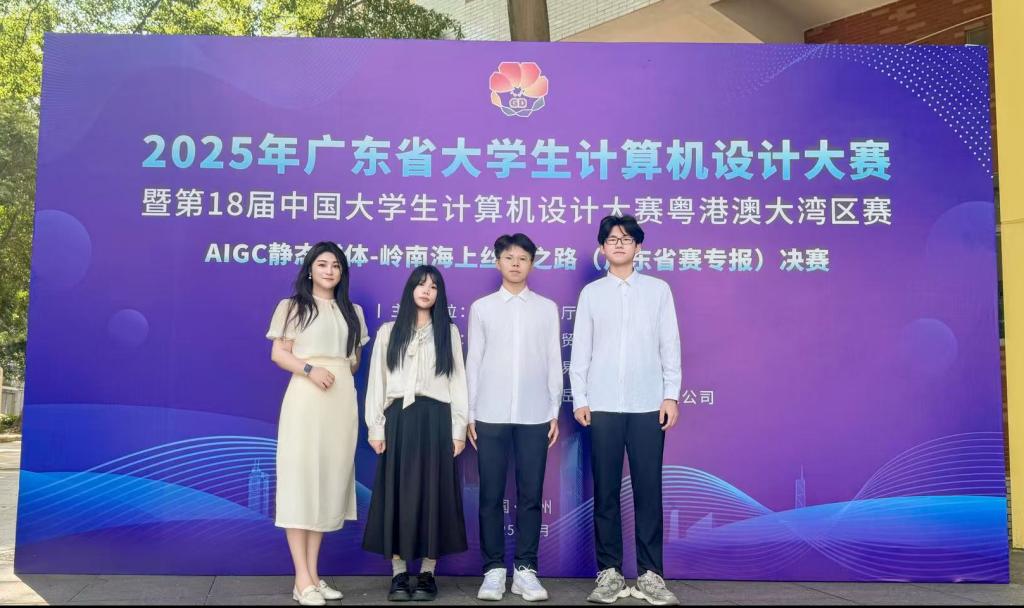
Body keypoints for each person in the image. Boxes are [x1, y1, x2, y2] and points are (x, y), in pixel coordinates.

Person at [569, 215, 681, 606]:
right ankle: (609, 573)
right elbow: (581, 349)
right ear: (602, 248)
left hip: (648, 404)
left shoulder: (658, 290)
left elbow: (669, 344)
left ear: (638, 247)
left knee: (649, 490)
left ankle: (651, 575)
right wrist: (580, 398)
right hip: (602, 405)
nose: (619, 244)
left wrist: (671, 395)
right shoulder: (592, 294)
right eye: (612, 239)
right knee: (605, 492)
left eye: (627, 238)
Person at [266, 241, 369, 606]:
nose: (329, 270)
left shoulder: (353, 311)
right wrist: (311, 369)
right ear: (310, 269)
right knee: (301, 483)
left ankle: (312, 575)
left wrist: (339, 368)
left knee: (327, 483)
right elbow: (279, 352)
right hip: (306, 398)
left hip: (341, 402)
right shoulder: (293, 306)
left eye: (336, 265)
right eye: (322, 264)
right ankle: (301, 578)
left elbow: (354, 360)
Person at [362, 265, 469, 602]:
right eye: (421, 285)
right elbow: (377, 382)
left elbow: (458, 382)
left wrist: (458, 428)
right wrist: (376, 426)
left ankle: (427, 573)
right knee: (396, 493)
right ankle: (398, 573)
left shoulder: (448, 332)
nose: (426, 291)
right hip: (399, 419)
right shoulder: (389, 331)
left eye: (433, 286)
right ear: (410, 290)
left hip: (437, 418)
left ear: (440, 295)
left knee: (434, 493)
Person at [466, 233, 562, 602]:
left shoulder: (546, 308)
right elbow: (474, 362)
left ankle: (525, 570)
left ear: (532, 264)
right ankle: (493, 570)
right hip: (489, 414)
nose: (516, 263)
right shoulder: (482, 308)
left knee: (530, 494)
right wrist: (471, 413)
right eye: (509, 257)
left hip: (535, 414)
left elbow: (553, 360)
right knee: (490, 494)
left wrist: (553, 410)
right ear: (498, 262)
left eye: (523, 258)